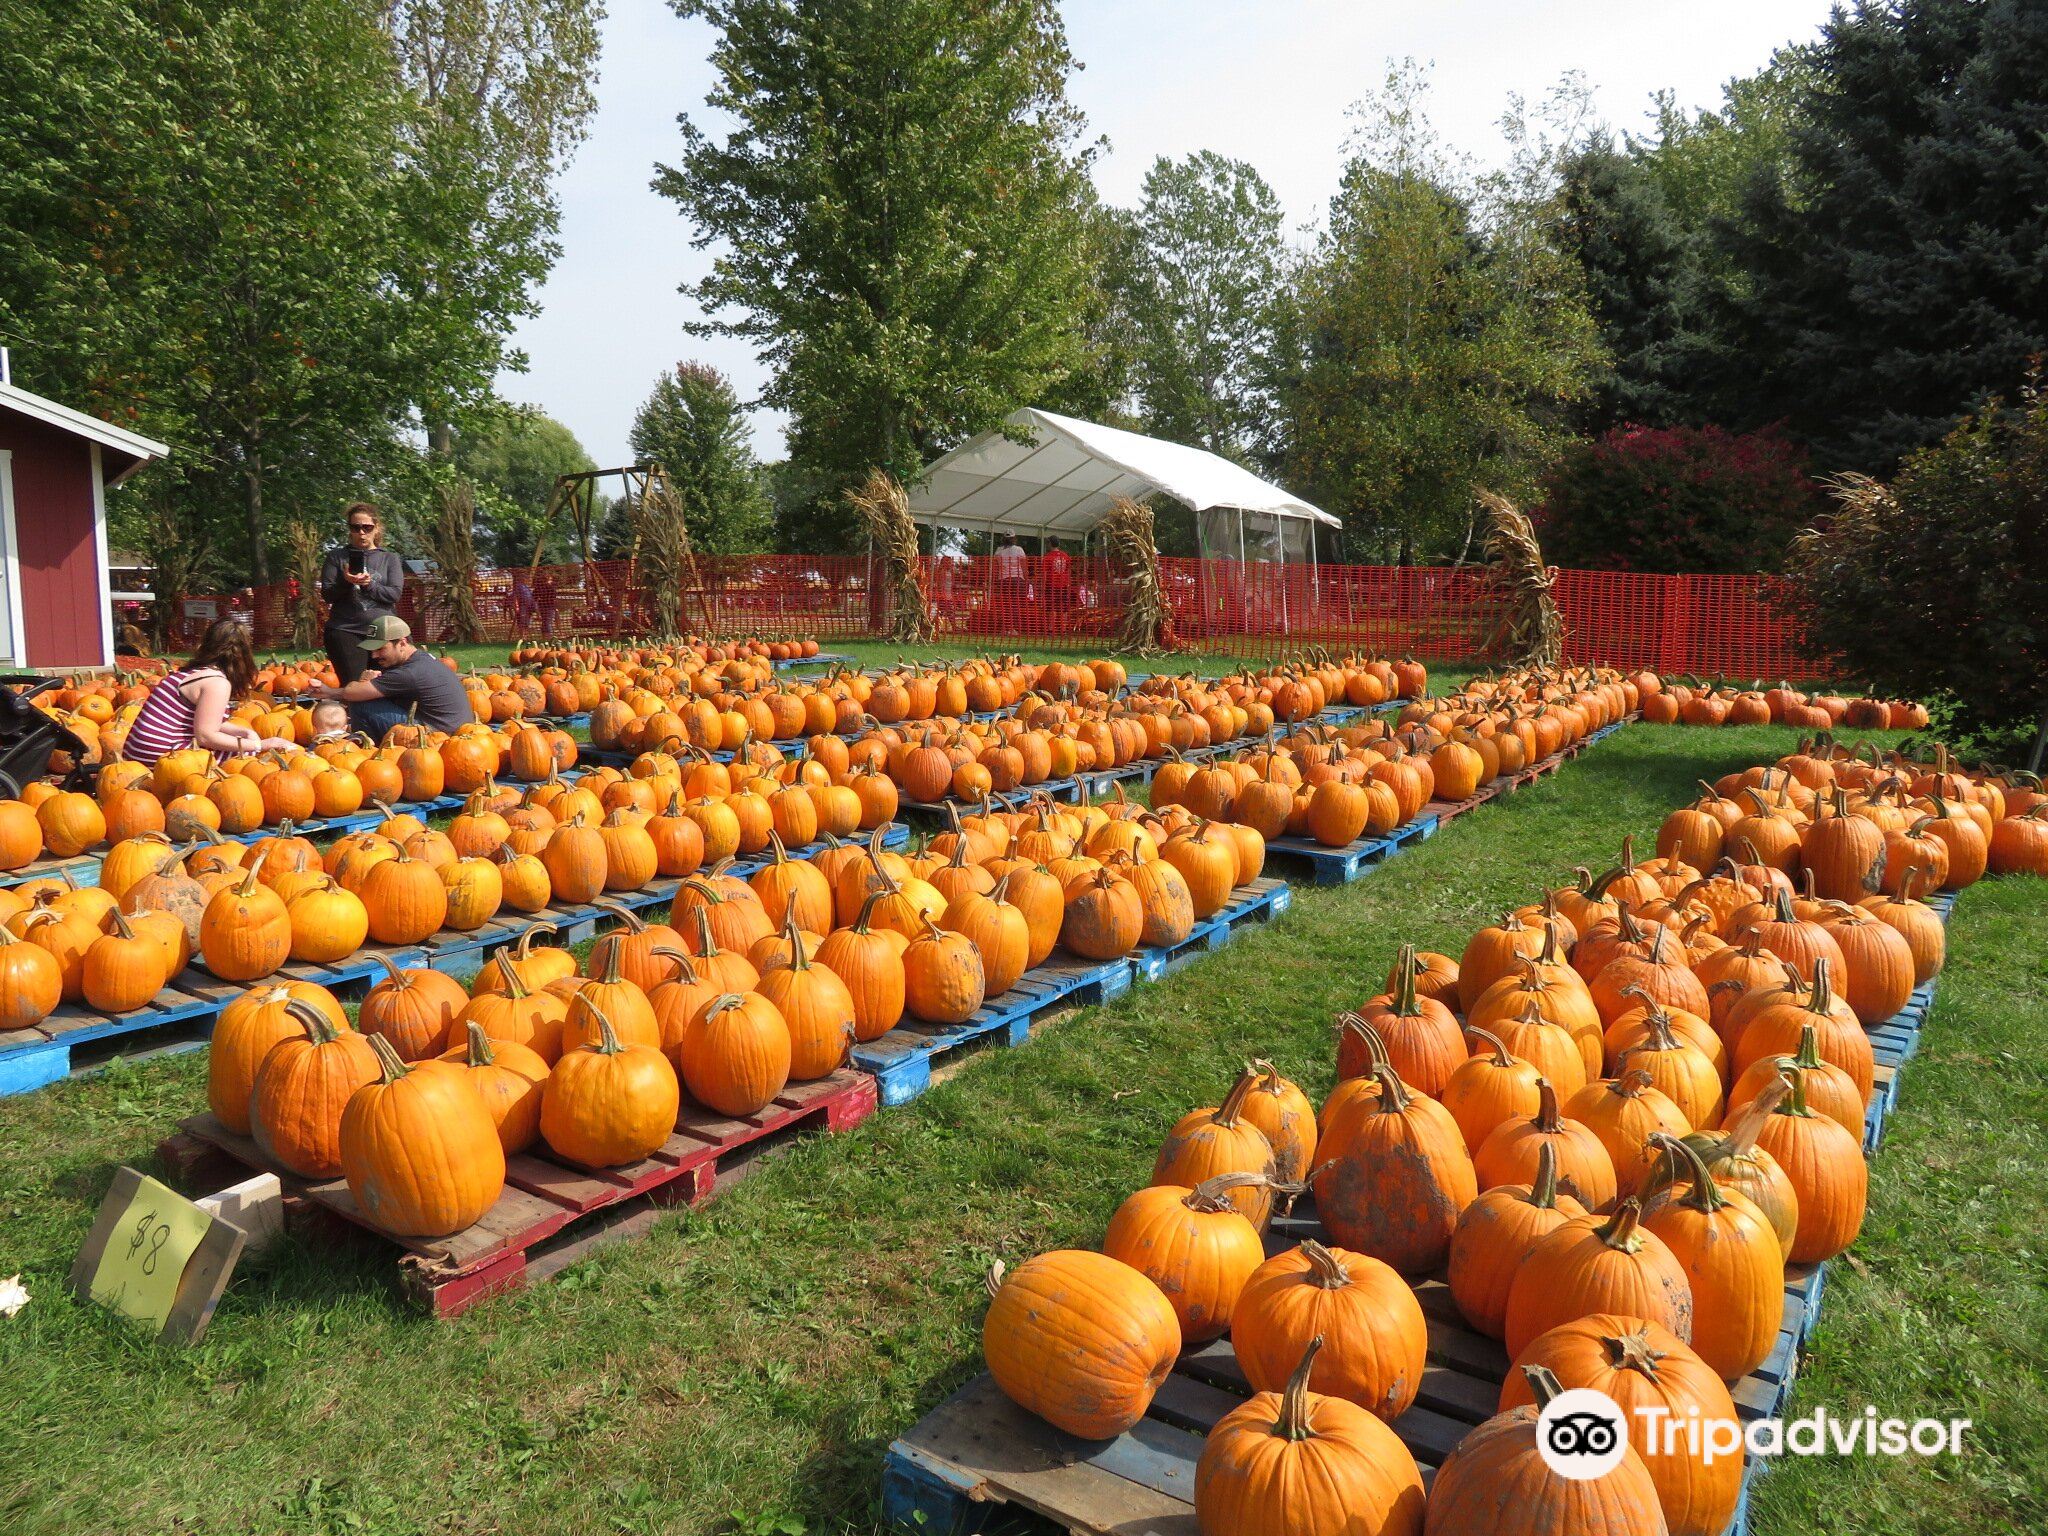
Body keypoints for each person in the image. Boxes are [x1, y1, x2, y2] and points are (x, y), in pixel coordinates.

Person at [119, 619, 293, 767]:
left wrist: (242, 733)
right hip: (162, 758)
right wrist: (258, 745)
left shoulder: (189, 673)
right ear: (245, 654)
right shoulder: (217, 683)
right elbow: (205, 736)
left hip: (135, 755)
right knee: (245, 761)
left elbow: (206, 721)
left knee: (241, 748)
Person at [310, 615, 474, 739]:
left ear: (402, 643)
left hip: (437, 737)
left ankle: (366, 748)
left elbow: (353, 693)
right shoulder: (421, 659)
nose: (374, 655)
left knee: (362, 702)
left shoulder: (409, 673)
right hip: (454, 731)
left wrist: (330, 691)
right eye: (372, 650)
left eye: (381, 649)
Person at [320, 502, 406, 686]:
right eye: (355, 527)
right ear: (349, 529)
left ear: (376, 528)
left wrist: (369, 585)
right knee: (355, 686)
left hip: (384, 631)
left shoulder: (389, 558)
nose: (361, 532)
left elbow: (394, 595)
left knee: (391, 685)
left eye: (367, 527)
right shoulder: (336, 557)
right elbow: (327, 594)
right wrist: (346, 581)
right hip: (346, 630)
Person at [993, 532, 1028, 627]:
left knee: (1005, 604)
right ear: (1014, 538)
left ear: (1003, 539)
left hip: (1003, 580)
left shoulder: (998, 551)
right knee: (1015, 604)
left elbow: (995, 569)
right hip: (1017, 579)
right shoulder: (1019, 550)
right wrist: (1027, 581)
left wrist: (994, 582)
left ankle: (1006, 627)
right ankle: (1013, 627)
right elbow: (1024, 567)